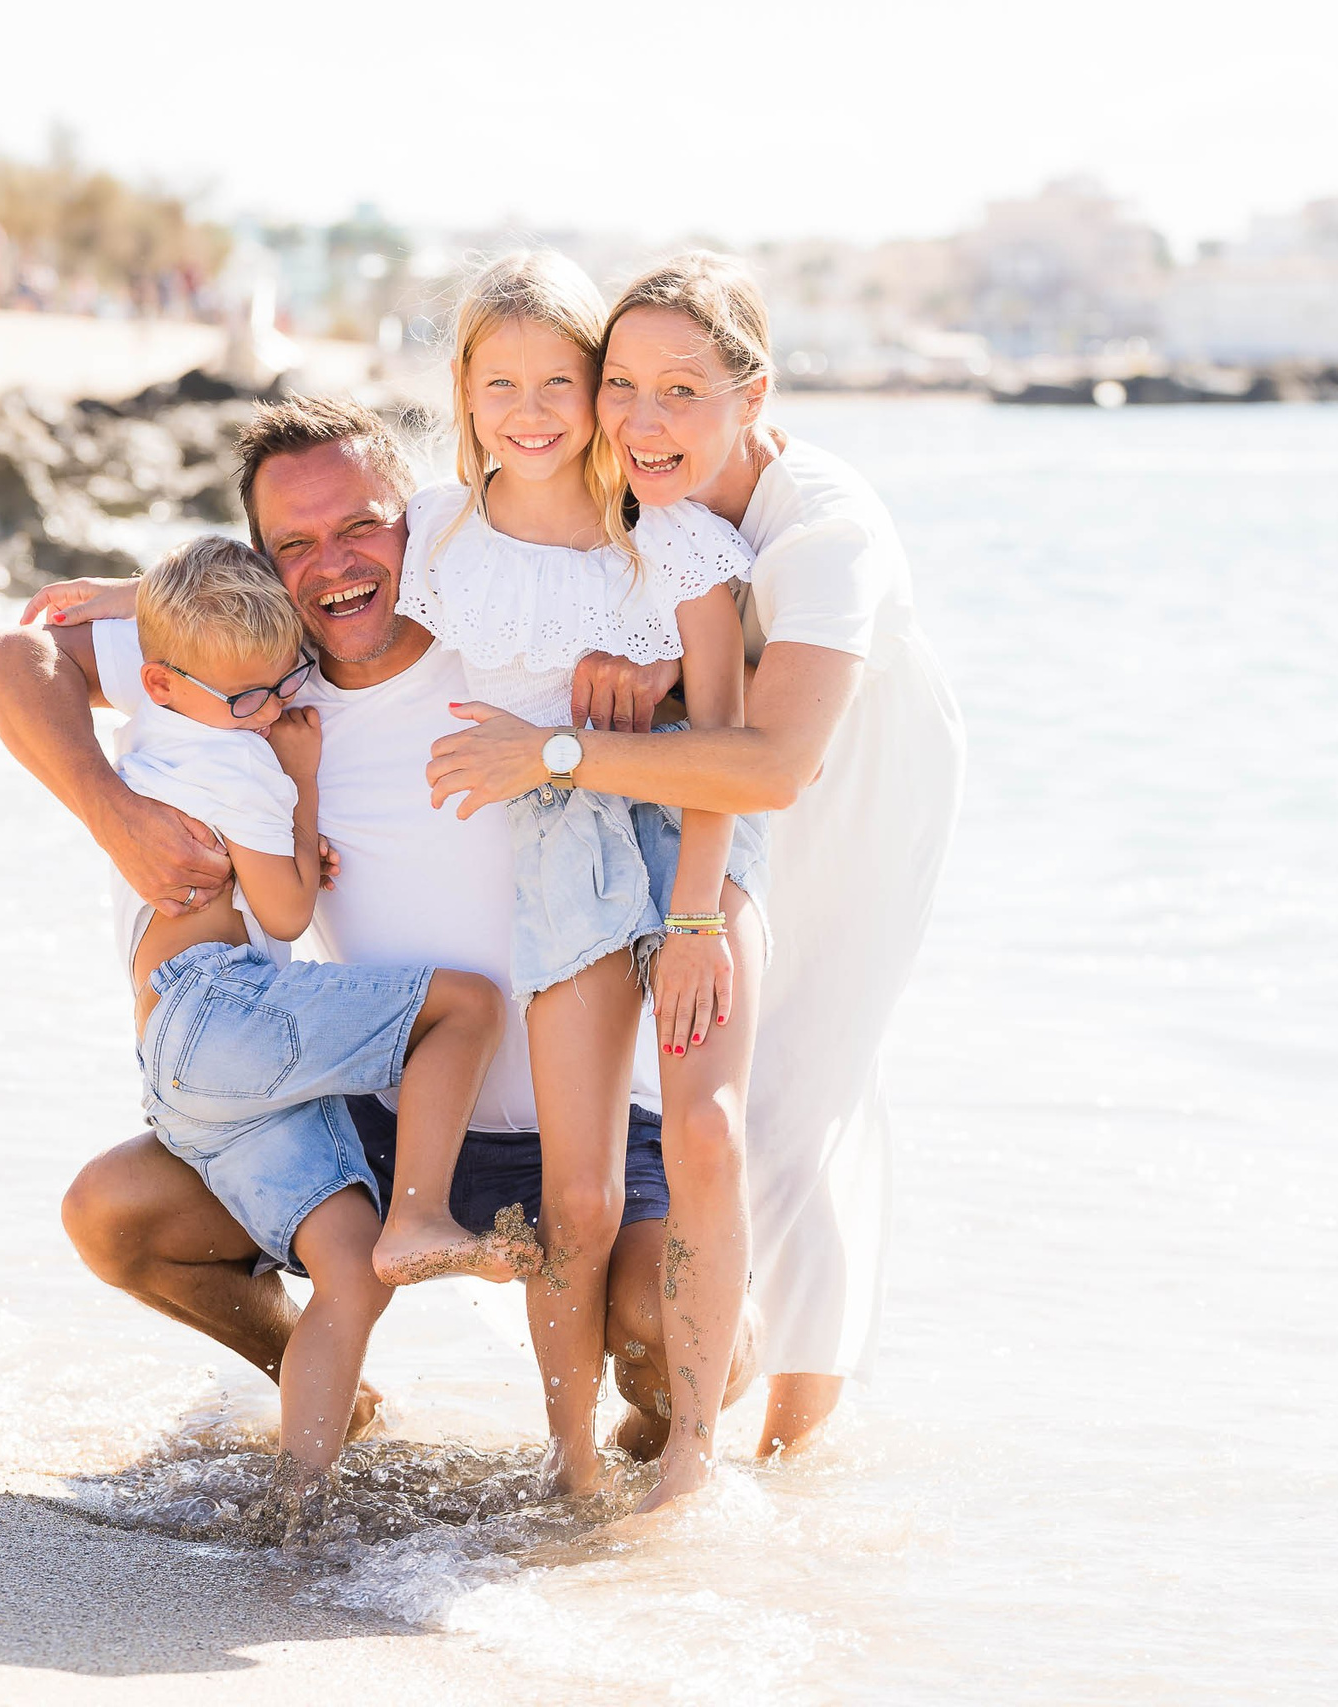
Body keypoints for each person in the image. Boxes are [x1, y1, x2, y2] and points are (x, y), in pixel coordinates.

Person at [0, 398, 758, 1484]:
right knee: (117, 1216)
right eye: (293, 544)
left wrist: (654, 673)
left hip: (592, 1128)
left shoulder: (508, 624)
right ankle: (331, 1388)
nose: (333, 566)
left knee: (662, 1340)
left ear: (425, 520)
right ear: (259, 566)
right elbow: (14, 658)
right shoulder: (253, 679)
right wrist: (114, 811)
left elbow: (724, 635)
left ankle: (647, 1477)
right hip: (398, 1118)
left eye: (361, 527)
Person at [425, 253, 966, 1460]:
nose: (641, 417)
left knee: (798, 1091)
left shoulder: (822, 530)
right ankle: (709, 1394)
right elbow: (635, 619)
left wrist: (562, 754)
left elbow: (770, 762)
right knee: (719, 1115)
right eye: (621, 383)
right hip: (690, 769)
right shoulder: (640, 499)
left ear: (753, 393)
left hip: (852, 767)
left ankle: (790, 1445)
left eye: (682, 390)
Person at [392, 251, 765, 1507]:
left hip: (678, 830)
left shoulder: (668, 544)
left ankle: (698, 1453)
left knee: (704, 1128)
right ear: (462, 388)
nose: (535, 408)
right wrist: (140, 595)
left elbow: (725, 739)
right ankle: (567, 1463)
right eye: (502, 381)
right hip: (556, 845)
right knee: (578, 1185)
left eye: (565, 378)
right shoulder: (438, 533)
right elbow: (318, 610)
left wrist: (700, 913)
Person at [101, 535, 508, 1475]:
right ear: (162, 684)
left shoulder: (151, 734)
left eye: (283, 682)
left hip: (179, 1066)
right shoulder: (240, 762)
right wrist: (302, 783)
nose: (272, 707)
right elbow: (287, 908)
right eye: (246, 698)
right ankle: (422, 1214)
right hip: (224, 1010)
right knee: (468, 1006)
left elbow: (261, 886)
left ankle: (299, 1504)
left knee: (347, 1270)